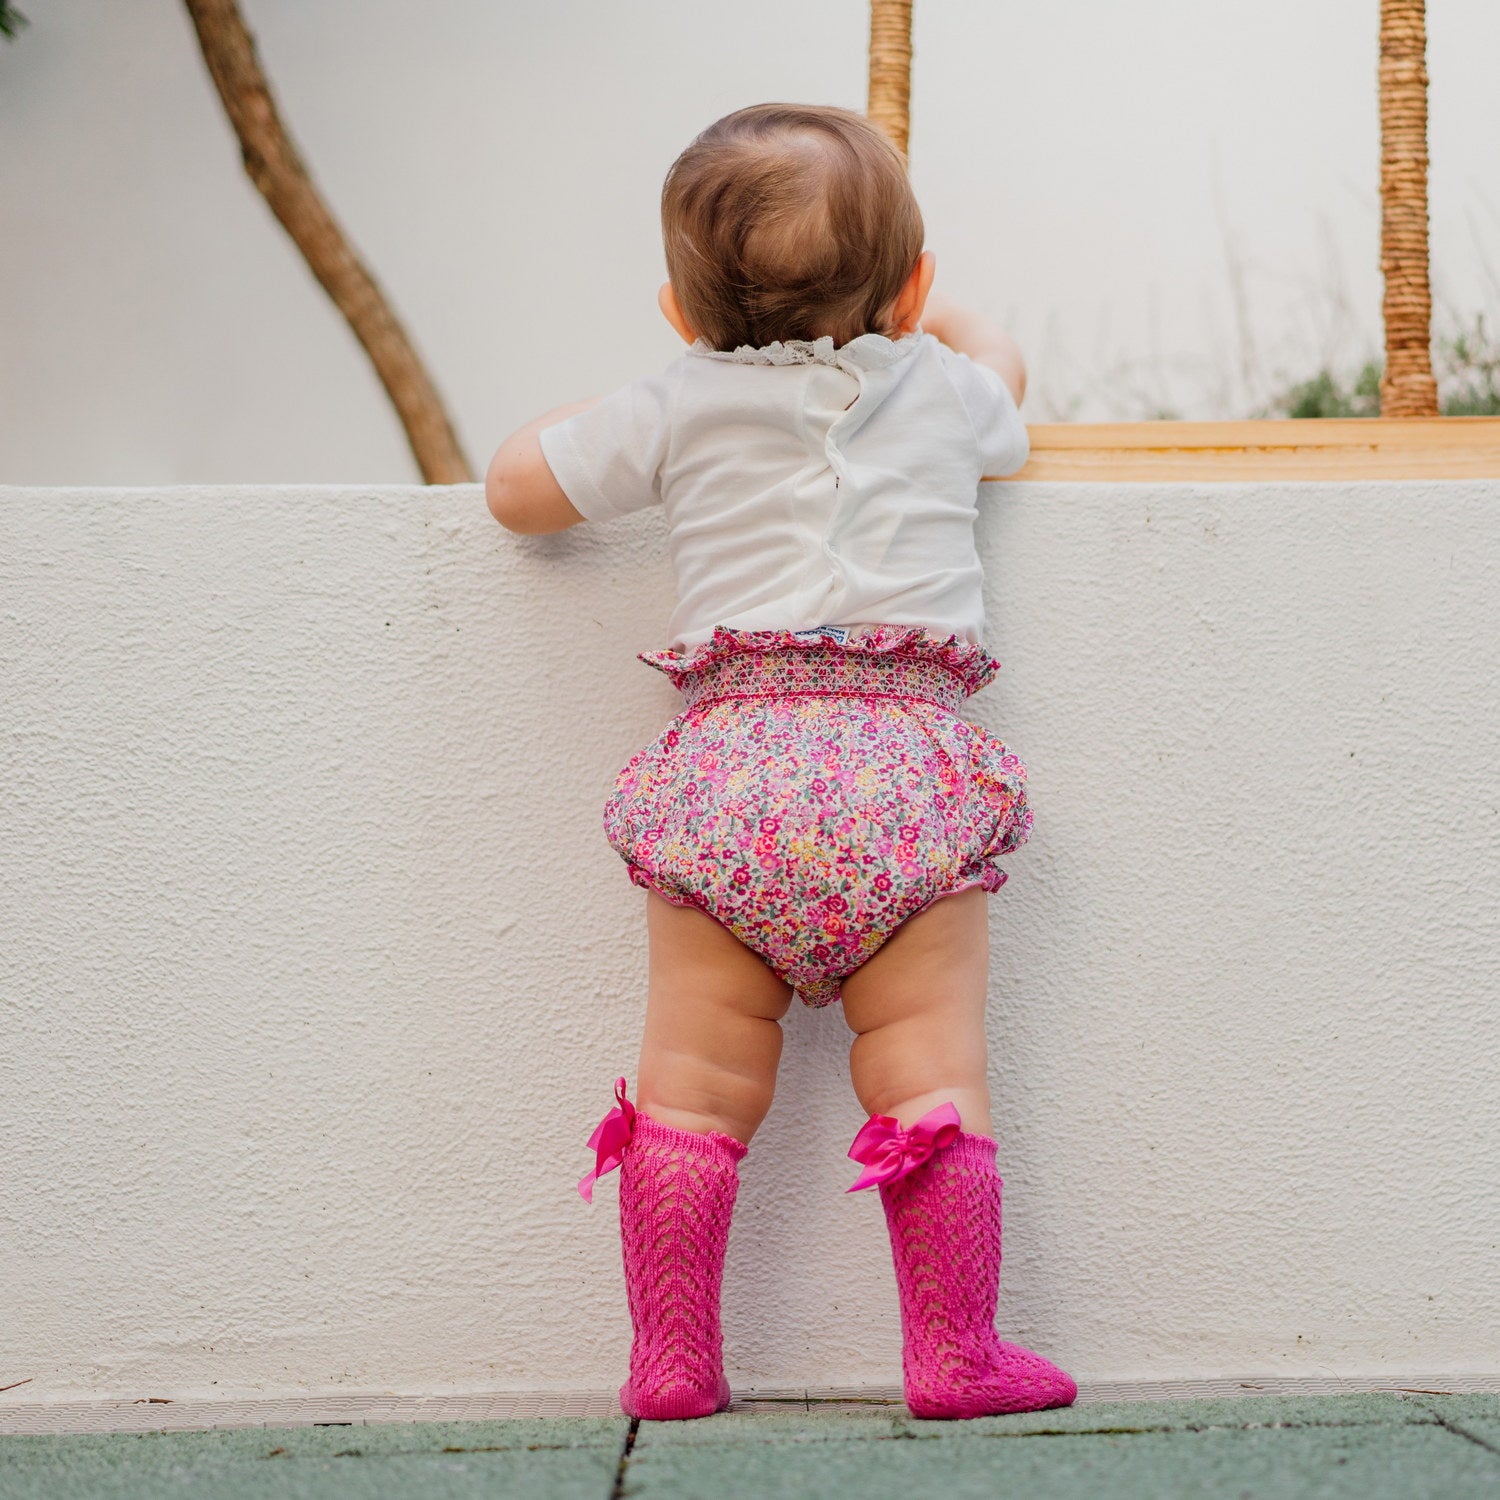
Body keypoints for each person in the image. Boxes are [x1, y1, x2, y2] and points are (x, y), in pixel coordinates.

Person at [485, 102, 1076, 1422]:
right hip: (903, 781)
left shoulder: (681, 396)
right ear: (911, 288)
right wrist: (956, 323)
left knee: (691, 1082)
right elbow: (1009, 387)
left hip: (734, 781)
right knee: (930, 1067)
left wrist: (638, 392)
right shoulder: (941, 386)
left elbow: (519, 490)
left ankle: (675, 1360)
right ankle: (954, 1354)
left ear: (680, 313)